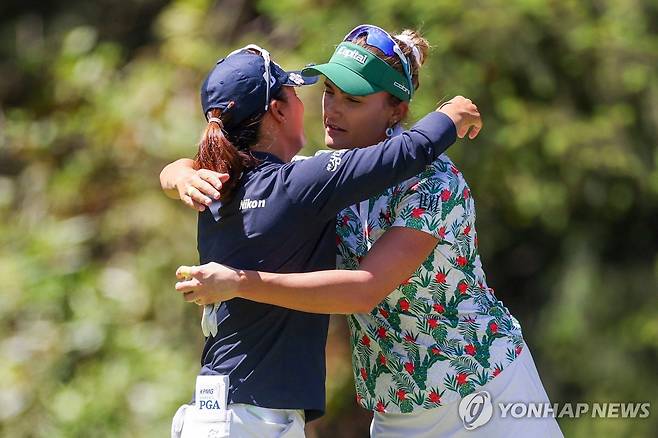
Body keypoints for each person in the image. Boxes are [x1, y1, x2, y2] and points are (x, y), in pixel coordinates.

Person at [172, 26, 563, 437]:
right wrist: (179, 172)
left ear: (394, 109)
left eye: (353, 100)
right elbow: (247, 168)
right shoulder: (321, 174)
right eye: (328, 92)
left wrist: (239, 282)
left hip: (486, 390)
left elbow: (364, 289)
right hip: (395, 408)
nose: (332, 110)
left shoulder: (432, 182)